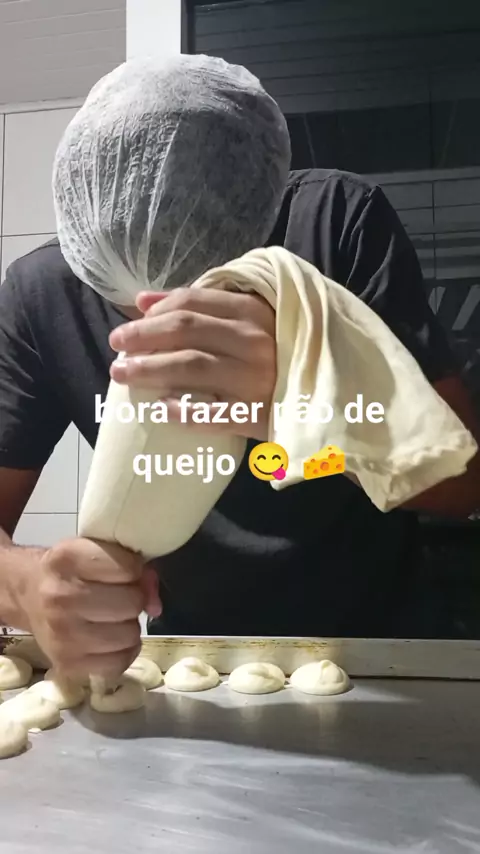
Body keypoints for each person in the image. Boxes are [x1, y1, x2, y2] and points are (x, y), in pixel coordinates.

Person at [0, 56, 479, 682]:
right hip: (190, 653)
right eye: (125, 305)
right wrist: (28, 585)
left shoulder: (333, 226)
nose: (162, 321)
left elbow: (462, 484)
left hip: (377, 647)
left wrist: (303, 399)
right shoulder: (43, 296)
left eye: (194, 287)